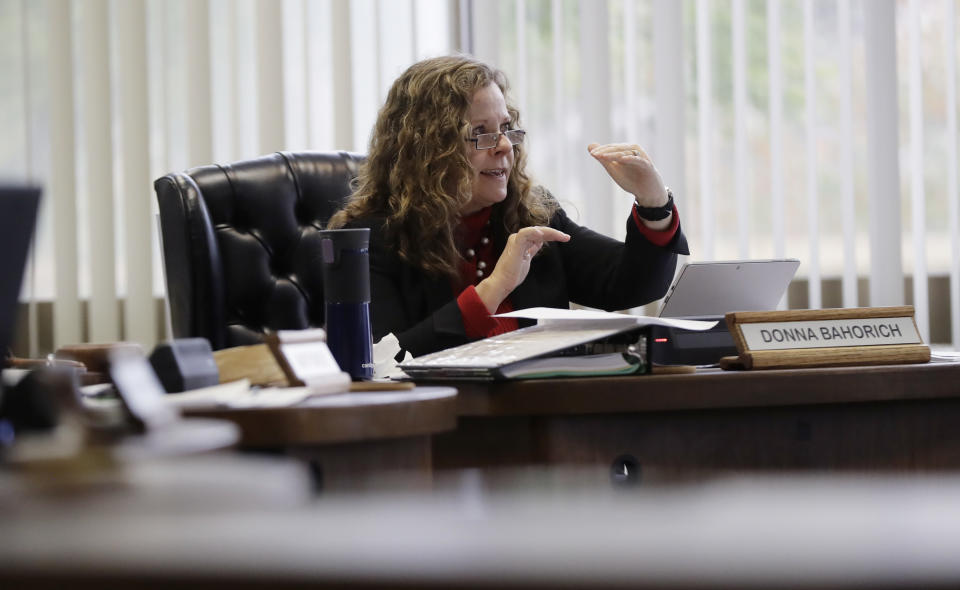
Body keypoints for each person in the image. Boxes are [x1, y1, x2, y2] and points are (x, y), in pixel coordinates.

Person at [327, 55, 689, 358]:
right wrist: (495, 287)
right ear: (427, 150)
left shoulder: (530, 216)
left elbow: (633, 285)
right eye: (481, 132)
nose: (504, 146)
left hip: (542, 421)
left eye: (506, 127)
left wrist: (653, 202)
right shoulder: (372, 241)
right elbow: (385, 363)